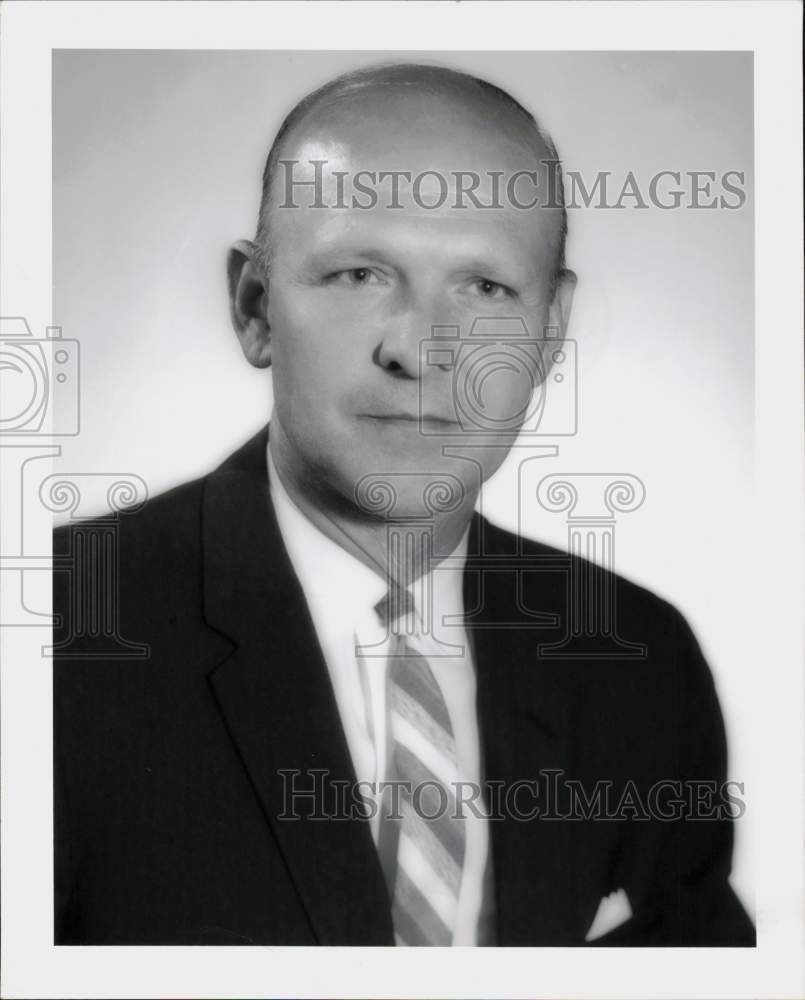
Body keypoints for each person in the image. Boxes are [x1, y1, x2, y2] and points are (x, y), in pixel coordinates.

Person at [53, 63, 755, 947]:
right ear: (254, 306)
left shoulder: (640, 661)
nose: (423, 349)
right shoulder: (58, 629)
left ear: (549, 332)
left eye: (485, 288)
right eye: (356, 274)